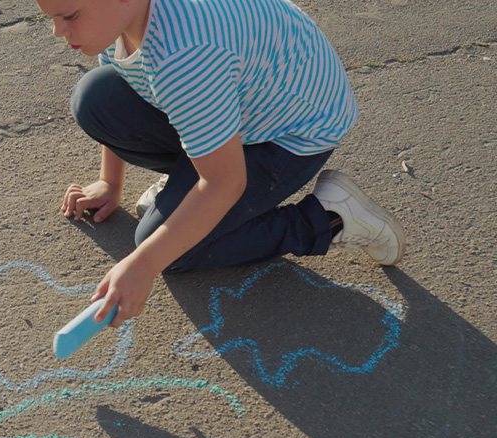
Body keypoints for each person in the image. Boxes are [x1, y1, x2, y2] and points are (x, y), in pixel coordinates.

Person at [39, 0, 406, 327]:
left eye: (69, 15)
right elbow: (133, 85)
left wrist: (143, 266)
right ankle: (194, 171)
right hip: (247, 106)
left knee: (163, 246)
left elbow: (225, 182)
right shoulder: (126, 17)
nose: (57, 31)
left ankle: (330, 218)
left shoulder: (186, 55)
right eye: (51, 17)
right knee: (96, 98)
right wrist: (111, 183)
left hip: (291, 134)